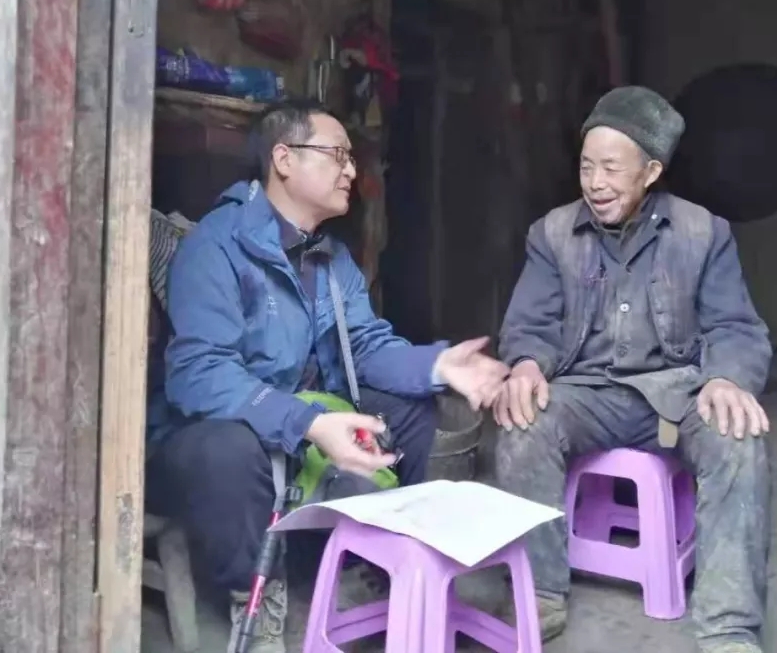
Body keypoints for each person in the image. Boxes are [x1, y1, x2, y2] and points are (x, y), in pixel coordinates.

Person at [145, 99, 508, 653]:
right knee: (226, 451)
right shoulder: (216, 247)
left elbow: (364, 346)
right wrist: (308, 423)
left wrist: (436, 365)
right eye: (337, 155)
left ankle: (372, 558)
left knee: (412, 407)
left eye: (351, 158)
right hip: (212, 430)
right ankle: (253, 596)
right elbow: (199, 375)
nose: (351, 170)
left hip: (297, 417)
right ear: (284, 159)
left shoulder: (330, 258)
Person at [494, 86, 772, 653]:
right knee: (523, 421)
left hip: (677, 394)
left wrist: (726, 377)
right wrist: (524, 364)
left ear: (650, 172)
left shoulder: (704, 233)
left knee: (738, 437)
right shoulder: (551, 234)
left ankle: (728, 627)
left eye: (611, 168)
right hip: (586, 394)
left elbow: (736, 326)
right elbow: (530, 324)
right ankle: (540, 593)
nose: (595, 183)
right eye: (586, 166)